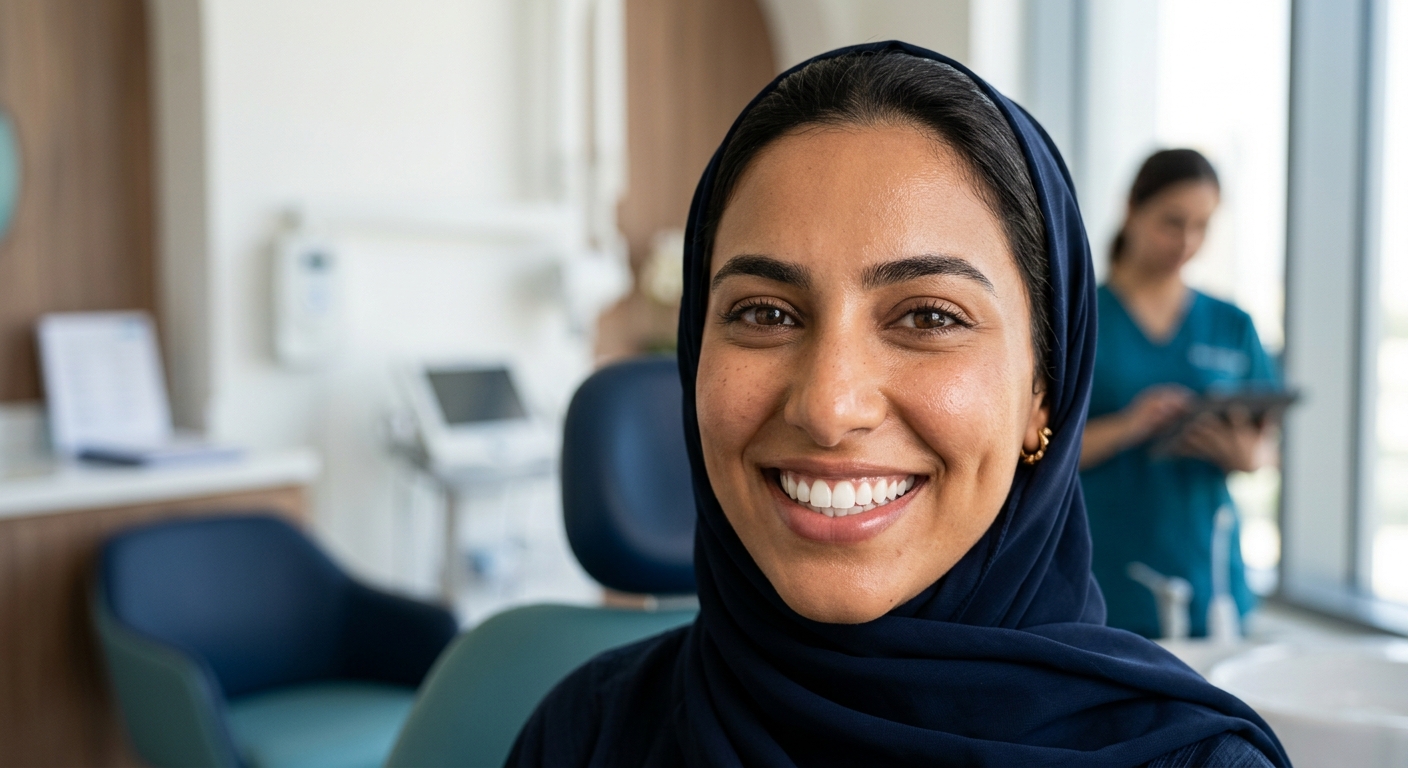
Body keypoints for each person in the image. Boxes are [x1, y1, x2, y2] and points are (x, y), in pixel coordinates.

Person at [509, 44, 1287, 767]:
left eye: (928, 317)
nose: (828, 406)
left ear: (1041, 391)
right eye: (765, 313)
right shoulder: (588, 734)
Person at [1080, 150, 1280, 640]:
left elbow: (1267, 446)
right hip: (1106, 576)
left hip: (1210, 577)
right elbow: (1034, 449)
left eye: (1202, 226)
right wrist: (1131, 426)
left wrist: (1248, 456)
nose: (1186, 242)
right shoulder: (1080, 320)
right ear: (1131, 209)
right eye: (1172, 222)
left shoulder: (1231, 323)